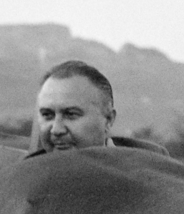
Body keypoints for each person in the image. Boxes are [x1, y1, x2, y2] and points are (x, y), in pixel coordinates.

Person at [29, 59, 168, 154]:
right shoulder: (22, 180)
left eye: (71, 114)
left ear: (108, 119)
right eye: (47, 115)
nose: (56, 129)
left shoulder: (152, 174)